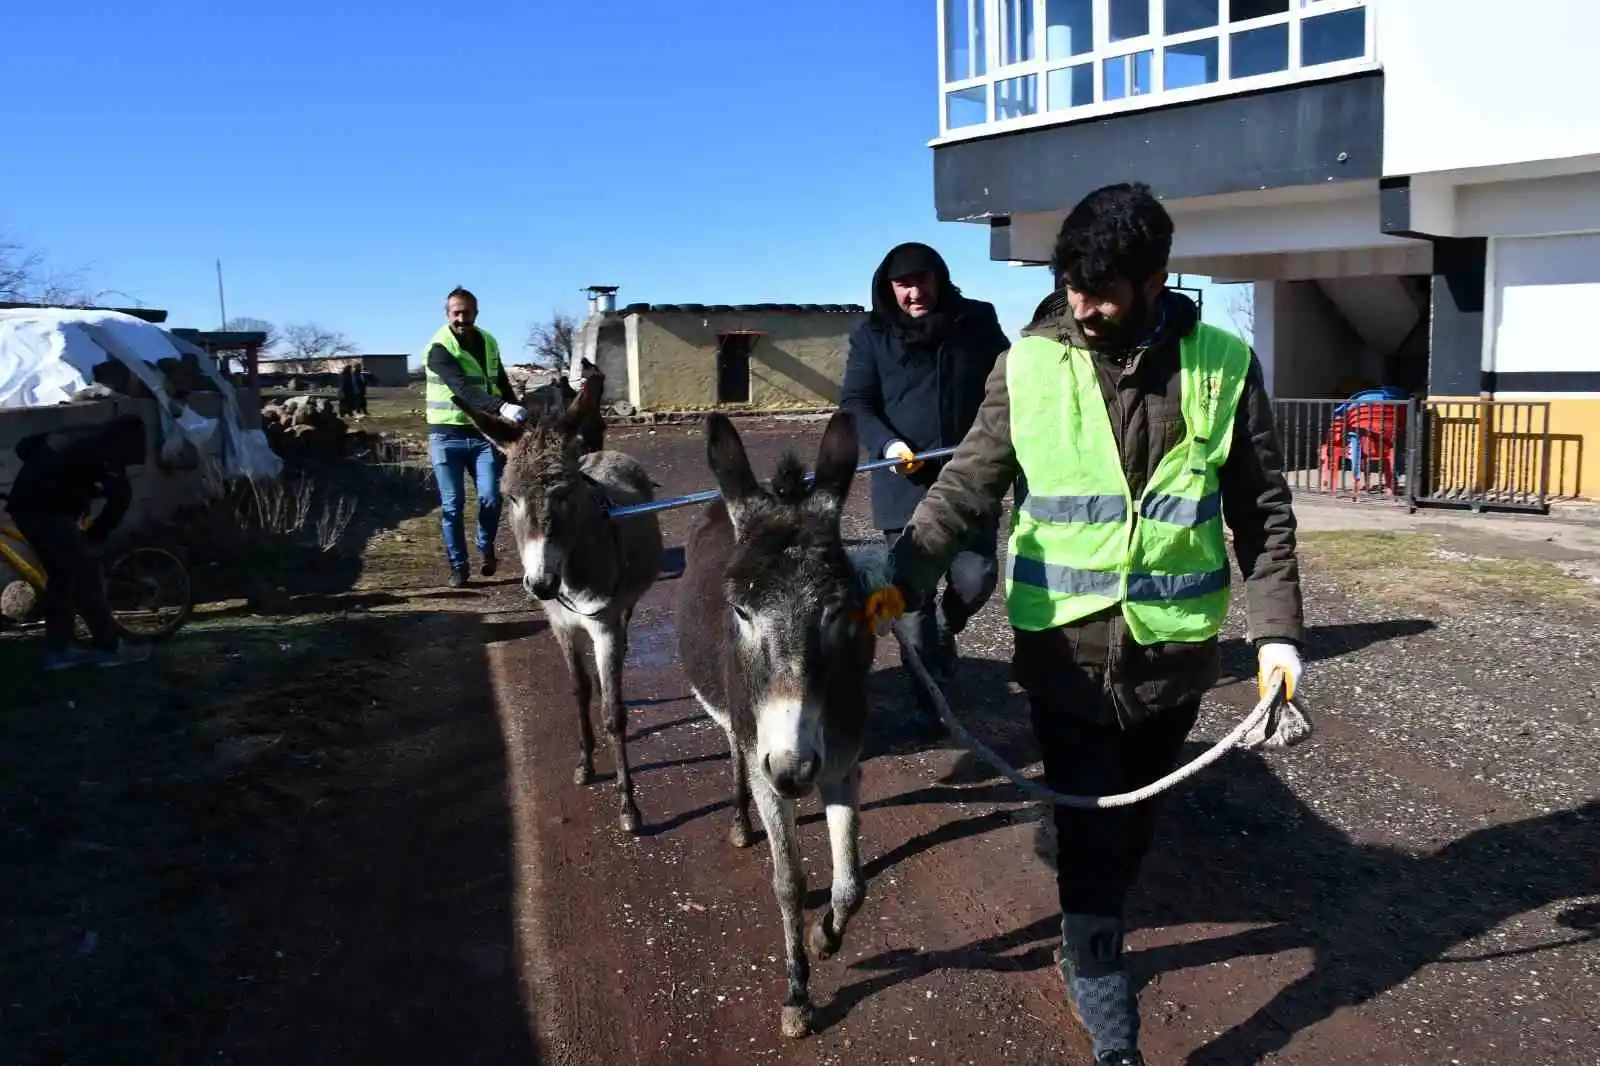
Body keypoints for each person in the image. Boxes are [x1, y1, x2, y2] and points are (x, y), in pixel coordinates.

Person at [864, 184, 1306, 1066]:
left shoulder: (1222, 363)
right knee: (1090, 822)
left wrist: (1277, 636)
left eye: (1101, 291)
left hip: (1176, 655)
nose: (1082, 306)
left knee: (1138, 812)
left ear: (1154, 280)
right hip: (1064, 652)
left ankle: (1094, 923)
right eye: (1070, 285)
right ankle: (1100, 977)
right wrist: (898, 584)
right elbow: (967, 487)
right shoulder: (1027, 363)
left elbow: (1261, 509)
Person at [839, 241, 1011, 731]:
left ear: (940, 278)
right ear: (889, 288)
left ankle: (949, 625)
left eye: (922, 281)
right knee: (910, 598)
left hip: (970, 479)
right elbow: (855, 403)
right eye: (903, 284)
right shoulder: (871, 335)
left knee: (975, 577)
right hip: (903, 486)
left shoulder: (976, 322)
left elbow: (1010, 385)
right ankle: (928, 698)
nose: (914, 293)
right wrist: (888, 447)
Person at [7, 415, 151, 670]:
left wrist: (56, 472)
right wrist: (94, 536)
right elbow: (120, 499)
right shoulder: (104, 454)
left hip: (25, 506)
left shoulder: (80, 437)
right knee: (85, 572)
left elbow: (24, 447)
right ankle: (108, 647)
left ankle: (59, 650)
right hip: (45, 510)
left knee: (62, 577)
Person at [424, 286, 527, 588]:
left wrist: (518, 408)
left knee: (491, 497)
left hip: (484, 435)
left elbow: (500, 381)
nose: (461, 318)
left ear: (476, 313)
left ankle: (485, 545)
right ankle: (459, 566)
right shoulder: (439, 349)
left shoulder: (489, 341)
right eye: (456, 312)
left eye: (467, 312)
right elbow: (464, 391)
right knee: (452, 505)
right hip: (446, 434)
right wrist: (502, 407)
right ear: (447, 314)